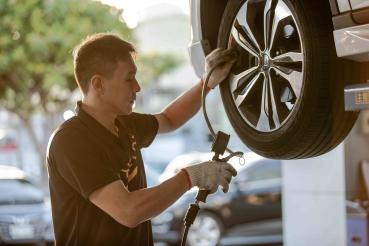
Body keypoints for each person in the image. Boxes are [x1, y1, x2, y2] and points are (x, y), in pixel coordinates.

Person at [46, 33, 237, 246]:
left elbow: (169, 119)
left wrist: (207, 82)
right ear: (98, 84)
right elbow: (128, 211)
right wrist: (191, 177)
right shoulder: (72, 141)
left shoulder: (125, 123)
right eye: (129, 78)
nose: (137, 87)